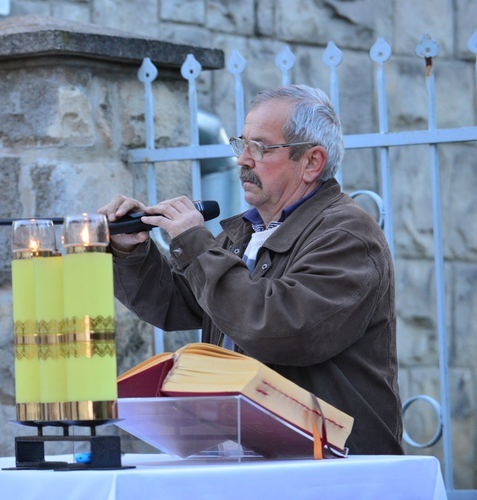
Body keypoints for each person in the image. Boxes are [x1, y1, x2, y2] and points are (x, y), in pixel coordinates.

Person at [98, 84, 403, 455]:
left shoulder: (348, 235)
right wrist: (132, 252)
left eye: (260, 148)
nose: (242, 160)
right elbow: (180, 303)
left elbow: (279, 327)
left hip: (331, 464)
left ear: (311, 162)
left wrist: (195, 242)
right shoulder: (247, 231)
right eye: (241, 145)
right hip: (250, 451)